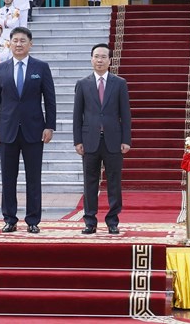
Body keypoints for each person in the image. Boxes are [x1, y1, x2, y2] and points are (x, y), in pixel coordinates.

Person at [0, 27, 56, 234]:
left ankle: (33, 219)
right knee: (8, 178)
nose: (19, 44)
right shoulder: (1, 69)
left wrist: (49, 126)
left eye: (23, 41)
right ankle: (9, 218)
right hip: (7, 131)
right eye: (15, 40)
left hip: (34, 130)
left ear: (30, 44)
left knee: (33, 177)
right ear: (10, 43)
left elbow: (50, 100)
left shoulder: (41, 67)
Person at [73, 43, 132, 235]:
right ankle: (90, 221)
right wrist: (77, 140)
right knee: (90, 182)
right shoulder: (83, 84)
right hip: (89, 140)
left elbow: (125, 114)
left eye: (103, 57)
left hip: (113, 140)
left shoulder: (119, 83)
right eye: (96, 56)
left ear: (110, 61)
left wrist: (126, 140)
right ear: (91, 59)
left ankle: (112, 221)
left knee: (114, 182)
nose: (99, 60)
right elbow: (77, 115)